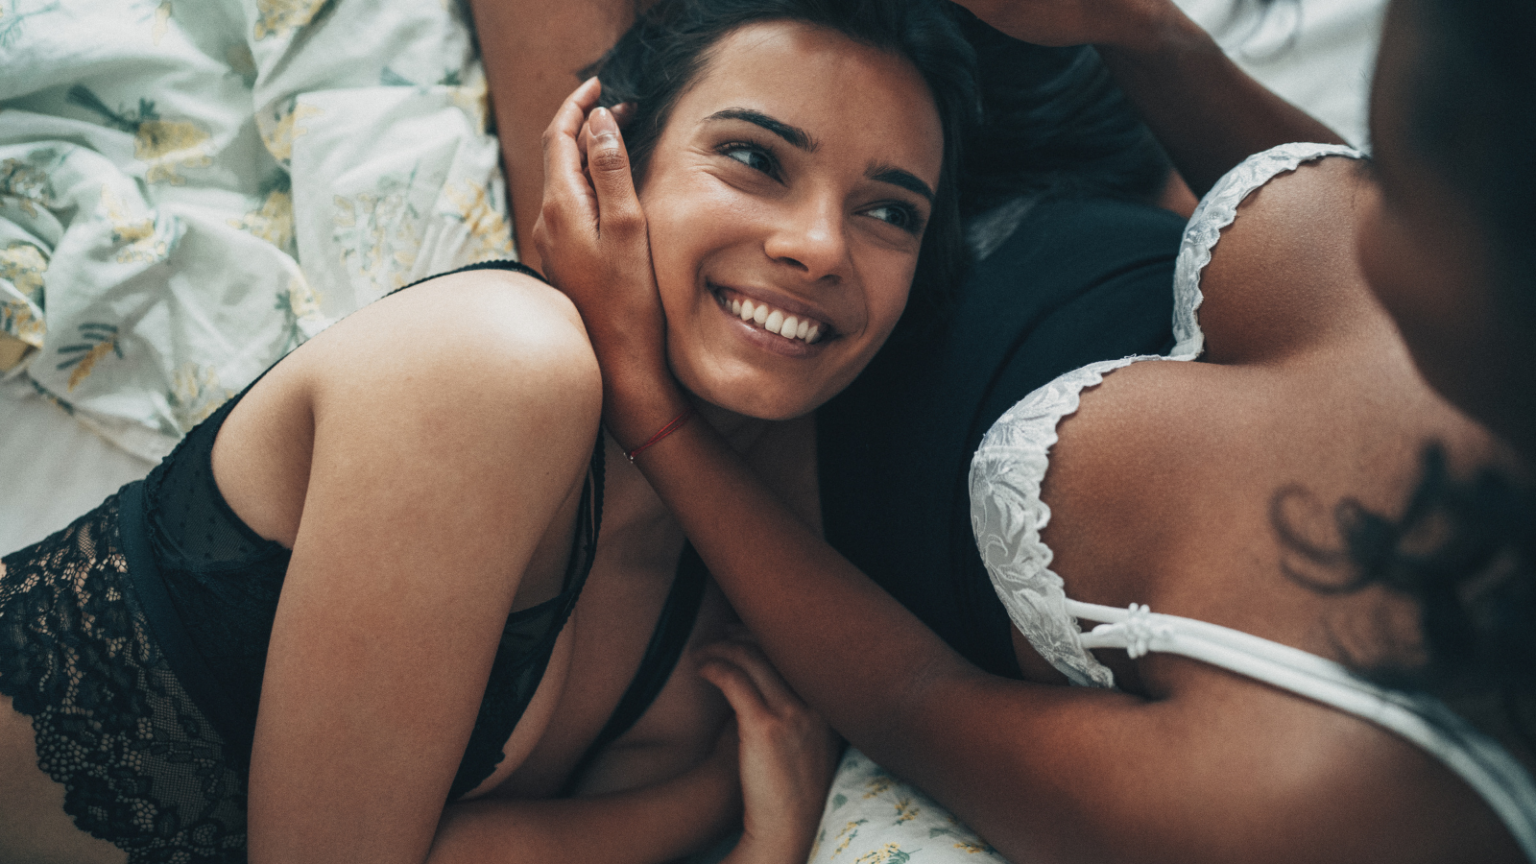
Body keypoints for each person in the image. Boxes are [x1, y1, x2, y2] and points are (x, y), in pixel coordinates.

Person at [540, 0, 1536, 861]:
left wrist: (655, 414)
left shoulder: (1315, 801)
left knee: (579, 165)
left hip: (791, 429)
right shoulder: (1472, 289)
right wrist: (1139, 30)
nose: (1365, 198)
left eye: (1400, 189)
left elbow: (914, 701)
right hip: (1018, 138)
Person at [0, 2, 979, 862]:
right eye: (755, 158)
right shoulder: (498, 363)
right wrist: (712, 807)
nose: (818, 246)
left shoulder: (721, 627)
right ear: (606, 160)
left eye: (890, 212)